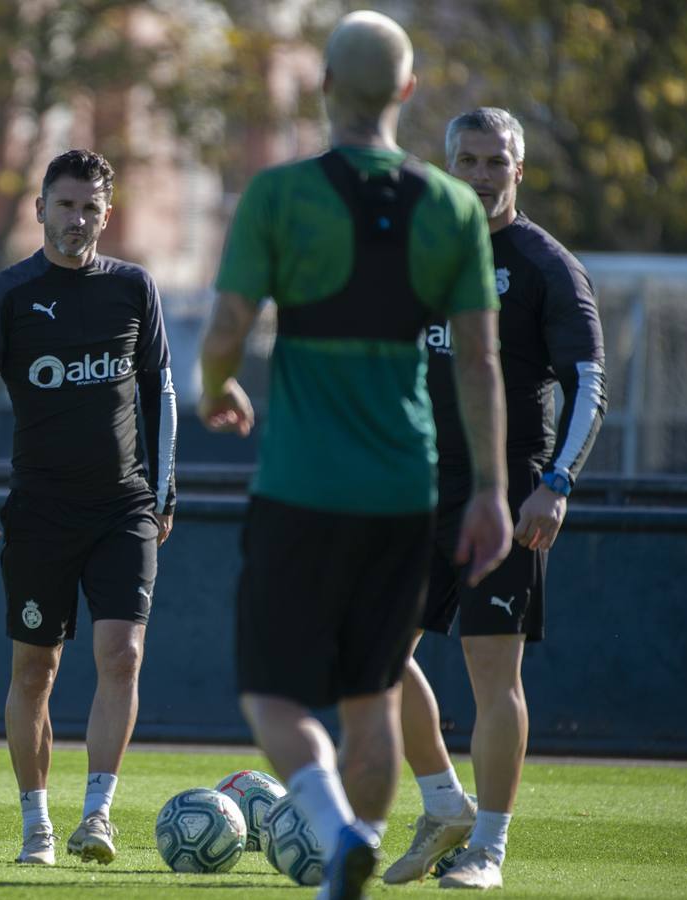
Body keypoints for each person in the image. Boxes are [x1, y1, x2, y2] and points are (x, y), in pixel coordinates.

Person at [196, 12, 513, 899]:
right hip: (406, 492)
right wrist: (490, 488)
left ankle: (337, 832)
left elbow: (226, 329)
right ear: (409, 93)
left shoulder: (278, 195)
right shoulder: (453, 208)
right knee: (372, 697)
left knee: (272, 696)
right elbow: (482, 364)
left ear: (326, 85)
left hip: (301, 487)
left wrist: (218, 387)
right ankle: (355, 857)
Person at [383, 107, 607, 891]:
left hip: (506, 496)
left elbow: (589, 384)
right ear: (448, 164)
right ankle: (444, 803)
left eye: (496, 162)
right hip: (415, 490)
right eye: (468, 160)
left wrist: (556, 484)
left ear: (519, 169)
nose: (482, 174)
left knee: (491, 677)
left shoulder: (546, 264)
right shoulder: (423, 253)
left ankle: (488, 848)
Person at [0, 149, 178, 867]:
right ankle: (35, 825)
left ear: (106, 215)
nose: (77, 219)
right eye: (66, 205)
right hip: (41, 511)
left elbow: (160, 395)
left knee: (123, 652)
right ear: (41, 208)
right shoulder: (9, 294)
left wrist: (165, 493)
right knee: (34, 673)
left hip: (123, 507)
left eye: (90, 208)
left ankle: (98, 814)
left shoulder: (134, 289)